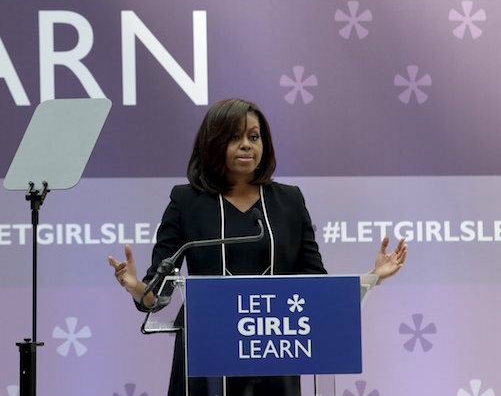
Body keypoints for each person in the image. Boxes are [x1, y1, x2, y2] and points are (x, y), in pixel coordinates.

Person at [109, 98, 407, 396]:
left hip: (274, 353)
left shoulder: (289, 201)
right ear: (212, 143)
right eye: (234, 137)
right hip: (206, 354)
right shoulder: (186, 202)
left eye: (254, 136)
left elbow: (316, 286)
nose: (246, 145)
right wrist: (137, 287)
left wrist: (373, 276)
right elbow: (158, 294)